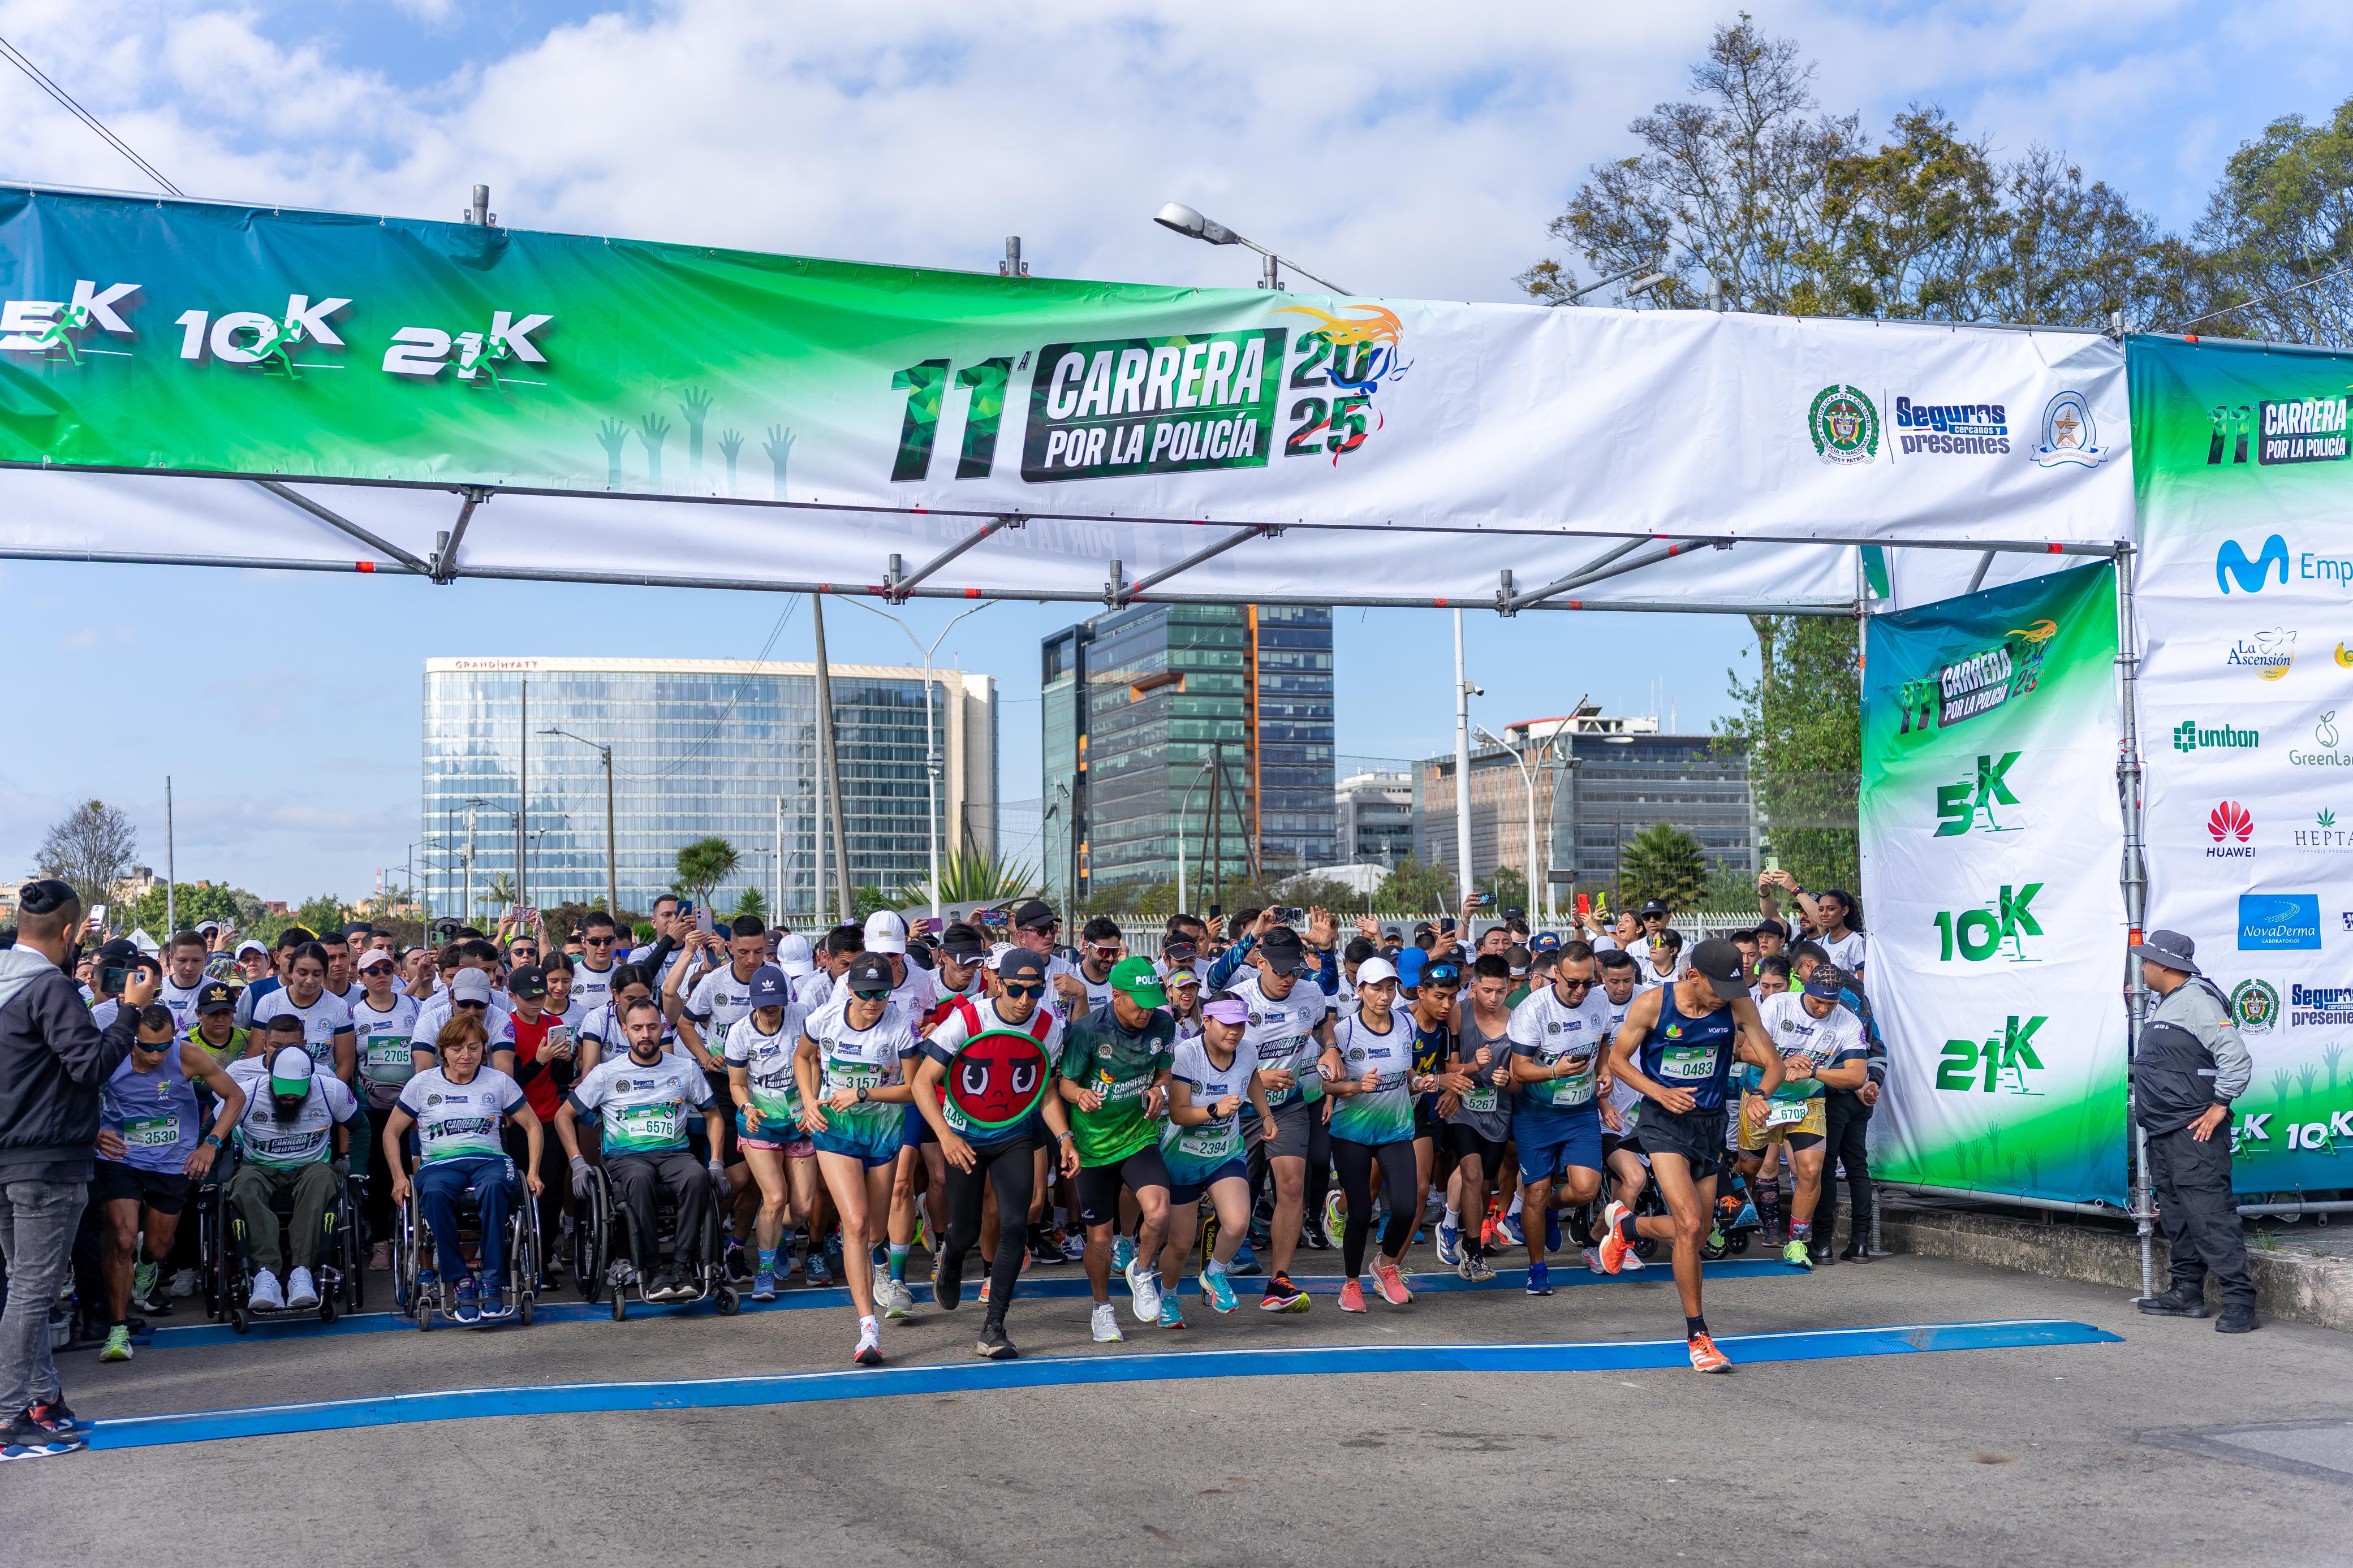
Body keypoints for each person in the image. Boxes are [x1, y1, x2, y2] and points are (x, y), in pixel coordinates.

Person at [1, 880, 154, 1457]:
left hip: (10, 1154)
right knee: (33, 1291)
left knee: (24, 1287)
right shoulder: (50, 988)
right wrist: (131, 1012)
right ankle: (10, 1411)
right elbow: (90, 1065)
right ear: (70, 932)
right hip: (47, 1159)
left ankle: (41, 1397)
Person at [1596, 938, 1782, 1373]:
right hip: (1664, 1124)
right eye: (1717, 988)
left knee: (1694, 1237)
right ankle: (1698, 1335)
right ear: (1692, 976)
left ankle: (1627, 1224)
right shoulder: (1652, 1005)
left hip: (1710, 1125)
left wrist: (1759, 1094)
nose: (1725, 998)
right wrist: (1659, 1091)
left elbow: (1774, 1064)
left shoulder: (1738, 1006)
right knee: (1692, 1222)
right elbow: (1619, 1062)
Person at [913, 949, 1079, 1360]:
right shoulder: (968, 1019)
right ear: (997, 982)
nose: (1025, 999)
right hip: (965, 1136)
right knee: (966, 1230)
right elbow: (921, 1083)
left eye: (1035, 989)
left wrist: (1064, 1136)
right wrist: (945, 1137)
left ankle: (994, 1325)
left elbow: (1045, 1091)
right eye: (1017, 989)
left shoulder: (1047, 1026)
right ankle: (951, 1256)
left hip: (1014, 1135)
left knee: (1014, 1226)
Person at [91, 1007, 245, 1360]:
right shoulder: (110, 1055)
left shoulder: (188, 1055)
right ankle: (117, 1329)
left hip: (172, 1163)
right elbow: (73, 1094)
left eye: (164, 1046)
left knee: (159, 1249)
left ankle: (147, 1265)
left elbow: (235, 1096)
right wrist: (94, 1131)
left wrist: (211, 1143)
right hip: (121, 1159)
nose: (156, 1055)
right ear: (133, 1039)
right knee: (122, 1239)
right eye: (147, 1047)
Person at [559, 996, 726, 1307]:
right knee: (639, 1179)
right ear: (625, 1031)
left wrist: (716, 1161)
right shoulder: (607, 1074)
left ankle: (681, 1267)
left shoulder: (685, 1069)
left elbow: (713, 1115)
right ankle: (651, 1268)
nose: (646, 1035)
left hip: (674, 1154)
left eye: (652, 1027)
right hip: (626, 1159)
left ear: (663, 1028)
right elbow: (563, 1116)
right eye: (637, 1028)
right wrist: (579, 1162)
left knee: (697, 1177)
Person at [2128, 930, 2257, 1333]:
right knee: (2179, 1216)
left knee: (2210, 1215)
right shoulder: (2168, 1002)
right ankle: (2187, 1291)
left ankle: (2240, 1301)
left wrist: (2220, 1105)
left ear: (2165, 965)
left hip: (2194, 1135)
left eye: (2147, 961)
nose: (2143, 966)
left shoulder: (2197, 1001)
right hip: (2165, 1131)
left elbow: (2236, 1058)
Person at [797, 954, 920, 1365]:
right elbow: (803, 1057)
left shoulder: (900, 1025)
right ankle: (868, 1327)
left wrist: (864, 1093)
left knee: (874, 1231)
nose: (873, 1001)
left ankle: (874, 1263)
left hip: (883, 1131)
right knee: (855, 1222)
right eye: (865, 993)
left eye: (881, 993)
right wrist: (809, 1100)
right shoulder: (826, 1018)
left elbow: (915, 1088)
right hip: (837, 1130)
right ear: (849, 989)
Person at [383, 1015, 544, 1320]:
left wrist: (534, 1171)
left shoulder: (498, 1081)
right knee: (431, 1192)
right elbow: (391, 1131)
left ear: (484, 1049)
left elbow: (533, 1126)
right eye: (457, 1049)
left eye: (474, 1048)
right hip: (440, 1164)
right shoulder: (422, 1083)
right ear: (443, 1051)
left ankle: (494, 1282)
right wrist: (398, 1177)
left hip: (490, 1161)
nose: (466, 1056)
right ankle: (461, 1281)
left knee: (497, 1188)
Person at [1058, 957, 1175, 1341]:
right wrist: (1081, 1095)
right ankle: (1102, 1307)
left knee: (1158, 1213)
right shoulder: (1087, 1031)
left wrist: (1159, 1089)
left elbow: (1163, 1069)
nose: (1146, 1010)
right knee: (1100, 1239)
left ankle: (1141, 1270)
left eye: (1151, 1000)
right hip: (1093, 1145)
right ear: (1116, 995)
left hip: (1138, 1134)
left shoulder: (1163, 1022)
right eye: (1138, 1001)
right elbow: (1065, 1084)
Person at [1321, 957, 1434, 1311]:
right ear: (1360, 991)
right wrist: (1356, 1087)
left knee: (1406, 1206)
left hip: (1396, 1129)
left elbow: (1406, 1069)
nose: (1384, 996)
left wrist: (1418, 1081)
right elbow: (1328, 1085)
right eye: (1376, 989)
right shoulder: (1345, 1032)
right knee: (1359, 1212)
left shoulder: (1405, 1022)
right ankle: (1351, 1284)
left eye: (1389, 988)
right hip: (1352, 1132)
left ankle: (1385, 1267)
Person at [1156, 993, 1274, 1329]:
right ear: (1206, 1022)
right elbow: (1178, 1114)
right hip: (1183, 1155)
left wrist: (1265, 1114)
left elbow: (1251, 1077)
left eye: (1240, 1025)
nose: (1235, 1032)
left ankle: (1215, 1274)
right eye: (1227, 1024)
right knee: (1179, 1244)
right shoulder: (1187, 1054)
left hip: (1225, 1151)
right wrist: (1215, 1109)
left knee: (1237, 1223)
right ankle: (1168, 1296)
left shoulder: (1248, 1051)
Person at [1231, 925, 1334, 1313]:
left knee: (1291, 1185)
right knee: (1239, 1201)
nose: (1290, 978)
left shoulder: (1310, 991)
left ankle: (1280, 1280)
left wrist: (1331, 1048)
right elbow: (1214, 1057)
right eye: (1281, 971)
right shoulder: (1238, 1001)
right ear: (1261, 963)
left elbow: (1325, 1021)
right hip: (1239, 1111)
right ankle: (1218, 1264)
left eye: (1296, 970)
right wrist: (1255, 1078)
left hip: (1288, 1106)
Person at [224, 1030, 364, 1312]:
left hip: (310, 1166)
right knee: (244, 1186)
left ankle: (302, 1272)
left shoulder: (330, 1089)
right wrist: (210, 1176)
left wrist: (358, 1171)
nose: (289, 1097)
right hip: (259, 1166)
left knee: (323, 1177)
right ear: (270, 1077)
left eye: (297, 1091)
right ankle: (266, 1275)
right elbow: (213, 1132)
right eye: (283, 1089)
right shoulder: (247, 1093)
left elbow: (361, 1127)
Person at [1738, 970, 1868, 1270]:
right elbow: (1745, 1051)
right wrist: (1781, 1063)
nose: (1823, 1010)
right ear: (1805, 990)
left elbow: (1856, 1075)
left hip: (1807, 1099)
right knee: (1750, 1166)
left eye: (1830, 1005)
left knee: (1811, 1169)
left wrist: (1814, 1073)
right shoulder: (1778, 1005)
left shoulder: (1848, 1021)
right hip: (1762, 1093)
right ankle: (1730, 1210)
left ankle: (1797, 1241)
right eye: (1818, 1002)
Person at [1505, 943, 1615, 1296]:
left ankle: (1553, 1208)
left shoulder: (1599, 1001)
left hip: (1580, 1110)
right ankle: (1537, 1269)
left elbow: (1604, 1044)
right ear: (1556, 974)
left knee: (1586, 1188)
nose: (1581, 990)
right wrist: (1554, 1070)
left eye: (1588, 982)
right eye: (1573, 983)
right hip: (1536, 1115)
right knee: (1534, 1193)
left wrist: (1605, 1071)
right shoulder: (1531, 1010)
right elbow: (1518, 1070)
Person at [723, 965, 811, 1303]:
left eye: (776, 1002)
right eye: (764, 1003)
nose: (770, 1008)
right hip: (759, 1122)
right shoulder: (740, 1032)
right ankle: (764, 1271)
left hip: (798, 1119)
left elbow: (814, 1062)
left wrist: (810, 1105)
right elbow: (736, 1083)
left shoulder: (803, 1017)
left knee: (801, 1208)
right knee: (774, 1198)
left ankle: (773, 1238)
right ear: (753, 1002)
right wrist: (747, 1108)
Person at [156, 930, 213, 1032]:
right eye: (182, 960)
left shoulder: (217, 990)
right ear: (171, 958)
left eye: (196, 961)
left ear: (205, 958)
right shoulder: (156, 990)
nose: (189, 968)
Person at [571, 910, 624, 1014]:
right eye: (595, 941)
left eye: (608, 940)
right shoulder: (571, 976)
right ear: (584, 942)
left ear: (615, 941)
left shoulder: (624, 975)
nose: (602, 947)